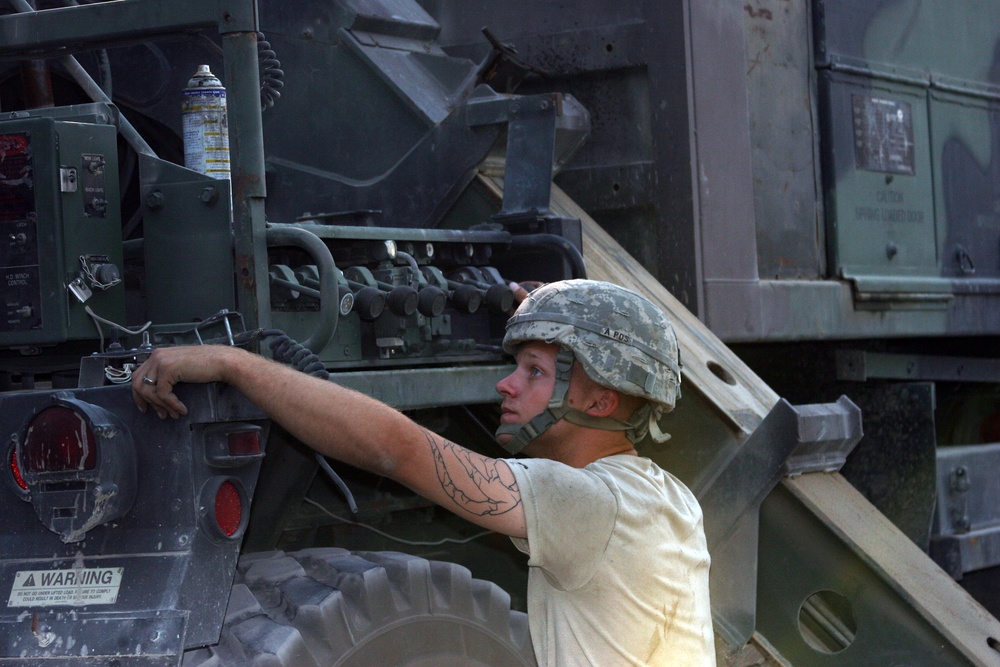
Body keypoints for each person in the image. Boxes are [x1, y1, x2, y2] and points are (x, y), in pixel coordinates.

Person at [132, 279, 716, 666]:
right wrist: (564, 319)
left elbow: (399, 450)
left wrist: (232, 363)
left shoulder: (588, 505)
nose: (506, 385)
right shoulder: (665, 498)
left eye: (534, 373)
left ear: (600, 401)